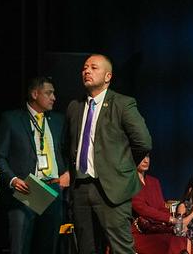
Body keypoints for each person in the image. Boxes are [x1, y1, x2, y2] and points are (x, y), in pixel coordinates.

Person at [68, 53, 153, 254]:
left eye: (94, 67)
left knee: (121, 248)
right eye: (85, 67)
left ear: (108, 76)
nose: (87, 70)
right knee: (85, 248)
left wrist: (122, 166)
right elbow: (67, 146)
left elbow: (143, 142)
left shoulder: (123, 104)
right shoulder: (75, 107)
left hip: (112, 189)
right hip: (81, 187)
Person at [0, 76, 69, 254]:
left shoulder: (59, 120)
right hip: (26, 189)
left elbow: (69, 152)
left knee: (49, 245)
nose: (54, 98)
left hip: (52, 188)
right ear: (35, 93)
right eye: (49, 93)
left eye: (54, 93)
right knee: (20, 246)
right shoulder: (11, 119)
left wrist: (68, 172)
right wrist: (12, 179)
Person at [131, 155, 190, 254]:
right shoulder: (129, 182)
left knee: (183, 240)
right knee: (169, 242)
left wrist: (175, 224)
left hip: (157, 228)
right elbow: (142, 209)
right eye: (141, 157)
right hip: (140, 232)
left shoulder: (154, 181)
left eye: (148, 157)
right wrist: (171, 219)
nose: (146, 161)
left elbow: (162, 207)